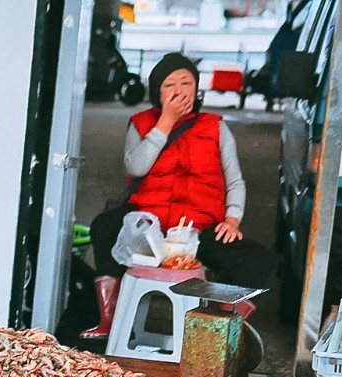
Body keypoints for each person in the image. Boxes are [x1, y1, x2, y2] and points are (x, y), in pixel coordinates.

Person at [81, 53, 266, 339]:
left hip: (197, 230)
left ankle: (218, 332)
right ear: (157, 91)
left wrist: (232, 219)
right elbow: (136, 166)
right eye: (169, 85)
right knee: (104, 225)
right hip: (148, 225)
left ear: (197, 87)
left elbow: (235, 180)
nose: (179, 90)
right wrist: (165, 123)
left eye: (186, 82)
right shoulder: (141, 123)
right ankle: (110, 321)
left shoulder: (216, 127)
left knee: (256, 258)